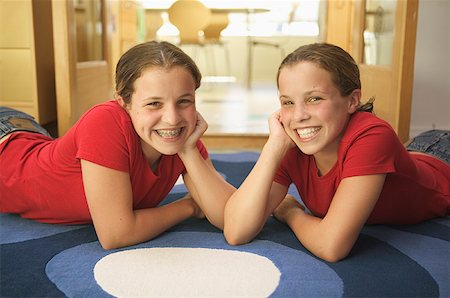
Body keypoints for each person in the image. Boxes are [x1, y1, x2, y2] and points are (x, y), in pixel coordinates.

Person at [223, 43, 450, 262]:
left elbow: (331, 246)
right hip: (416, 151)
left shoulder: (373, 135)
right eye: (288, 102)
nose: (299, 115)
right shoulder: (293, 143)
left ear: (352, 100)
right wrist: (273, 147)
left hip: (443, 158)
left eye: (314, 98)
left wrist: (290, 212)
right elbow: (236, 231)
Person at [0, 41, 235, 250]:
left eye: (184, 101)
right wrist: (189, 207)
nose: (172, 118)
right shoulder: (105, 122)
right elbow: (116, 234)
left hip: (28, 133)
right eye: (154, 103)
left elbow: (233, 219)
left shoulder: (181, 136)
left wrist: (189, 150)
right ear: (124, 103)